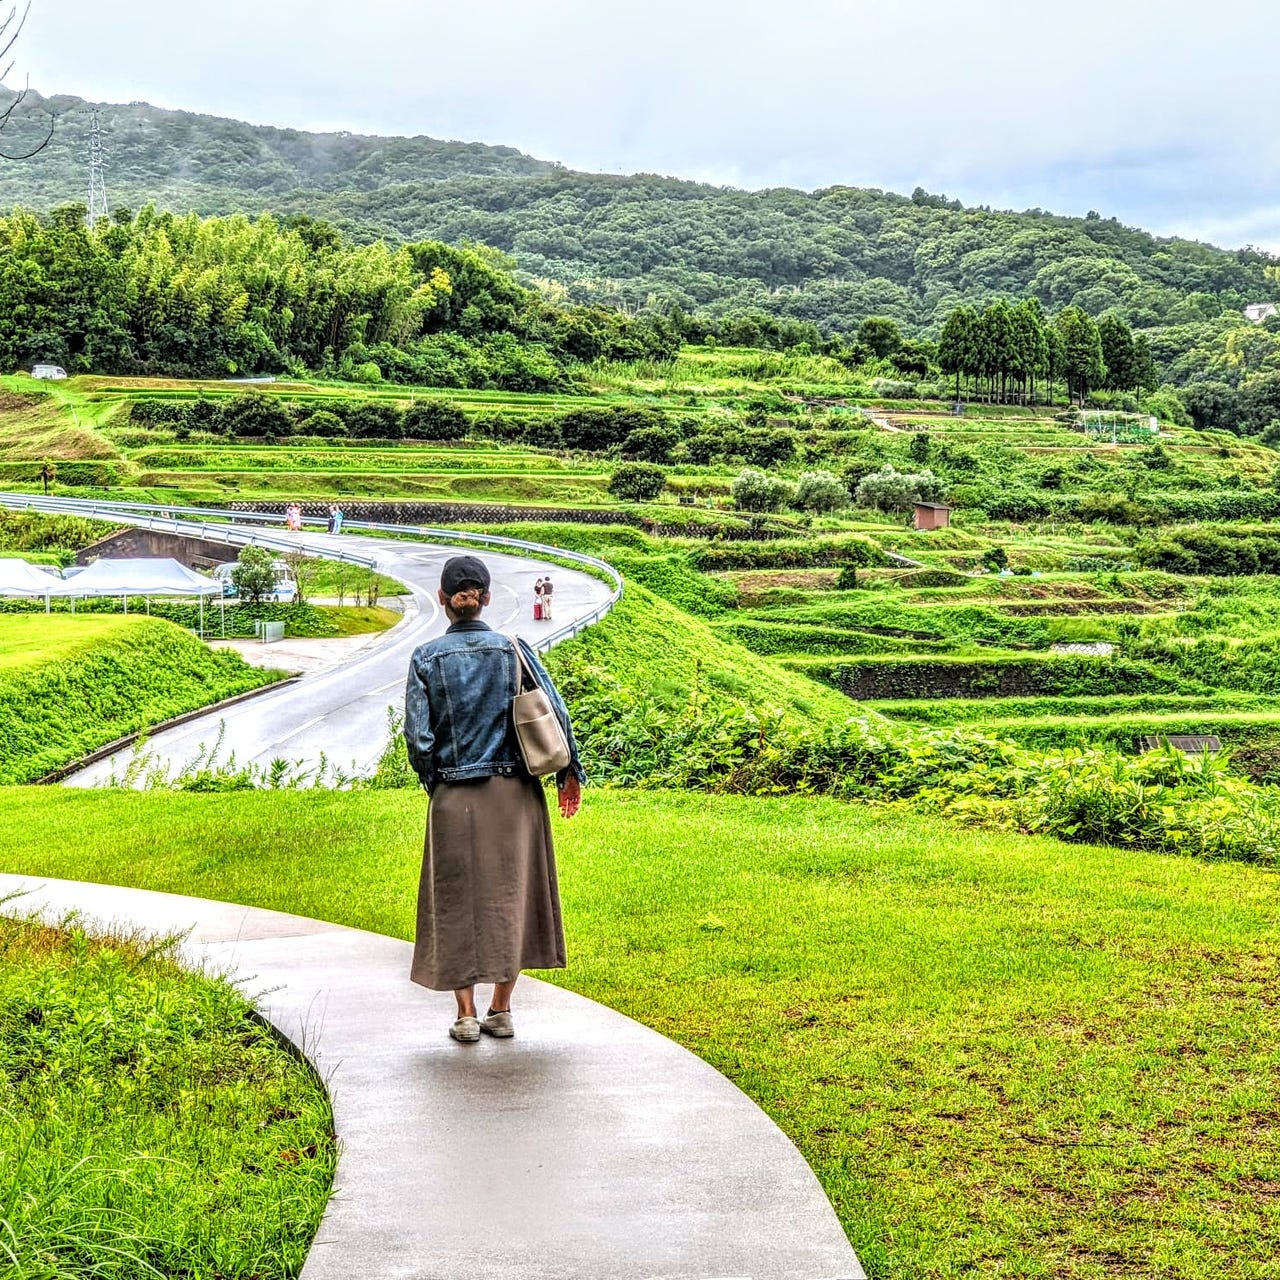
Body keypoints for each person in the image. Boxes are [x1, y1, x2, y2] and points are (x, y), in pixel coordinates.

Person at [404, 555, 585, 1044]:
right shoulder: (514, 649)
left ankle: (465, 1014)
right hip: (514, 796)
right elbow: (555, 713)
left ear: (442, 599)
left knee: (456, 901)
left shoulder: (425, 658)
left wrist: (438, 783)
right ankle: (500, 1009)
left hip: (453, 797)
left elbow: (418, 739)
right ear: (484, 598)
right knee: (514, 896)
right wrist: (571, 773)